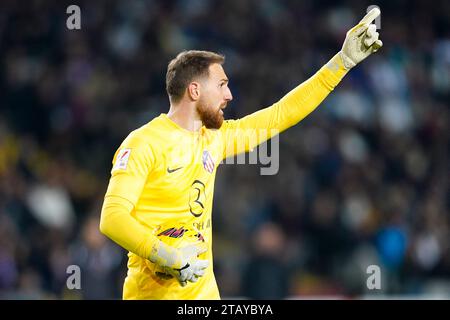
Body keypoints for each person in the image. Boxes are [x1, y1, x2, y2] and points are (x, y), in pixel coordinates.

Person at [99, 8, 383, 300]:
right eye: (221, 85)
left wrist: (342, 62)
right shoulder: (143, 143)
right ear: (194, 90)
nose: (229, 95)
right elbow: (112, 218)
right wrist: (167, 256)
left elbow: (280, 114)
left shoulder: (215, 138)